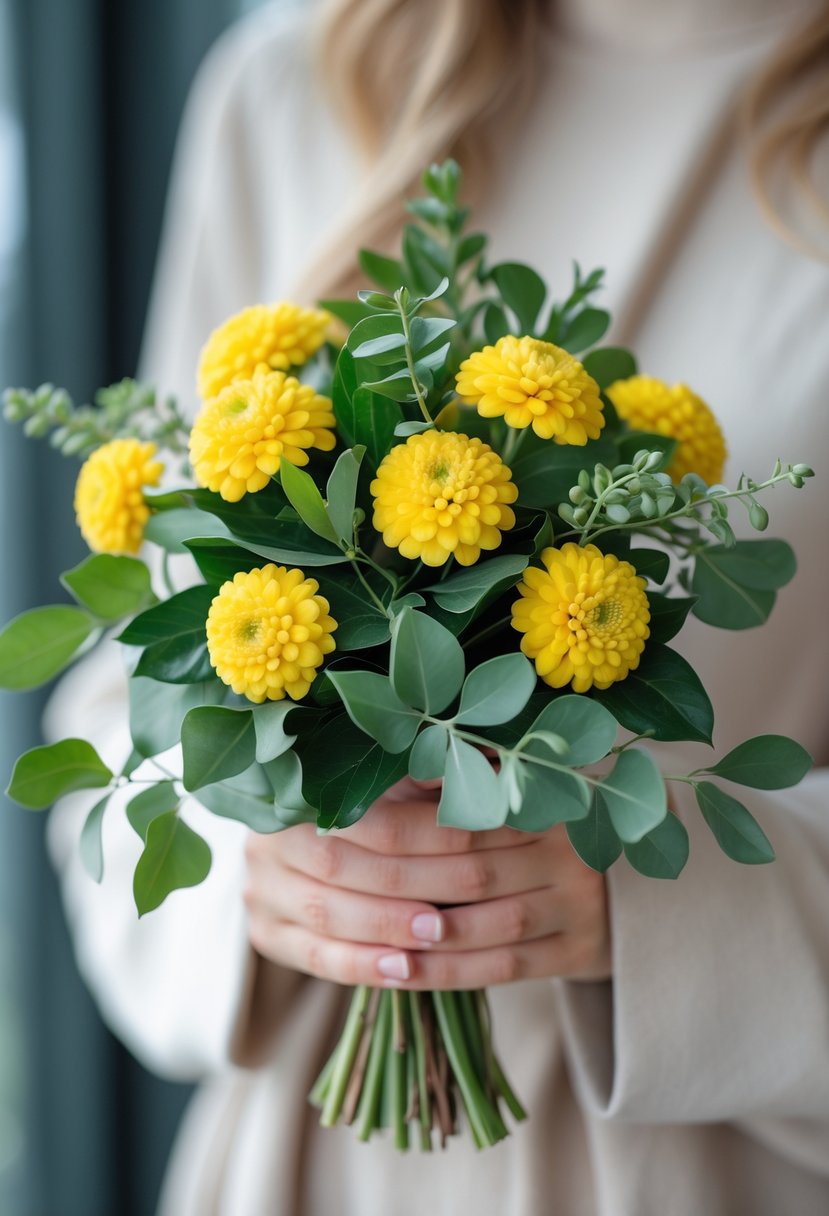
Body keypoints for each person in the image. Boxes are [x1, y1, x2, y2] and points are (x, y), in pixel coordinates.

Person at [45, 0, 829, 1212]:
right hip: (305, 1161)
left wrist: (656, 899)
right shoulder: (297, 83)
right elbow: (127, 699)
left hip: (701, 1168)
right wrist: (271, 864)